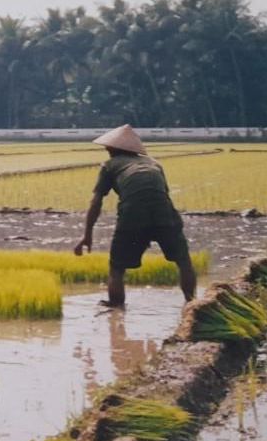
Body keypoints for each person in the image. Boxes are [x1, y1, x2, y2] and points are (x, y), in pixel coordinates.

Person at [74, 124, 196, 308]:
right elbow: (163, 194)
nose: (107, 149)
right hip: (165, 215)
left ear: (117, 148)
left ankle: (116, 308)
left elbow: (96, 201)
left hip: (132, 215)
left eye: (109, 146)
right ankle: (192, 304)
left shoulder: (110, 165)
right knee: (183, 261)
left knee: (116, 268)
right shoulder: (154, 163)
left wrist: (87, 234)